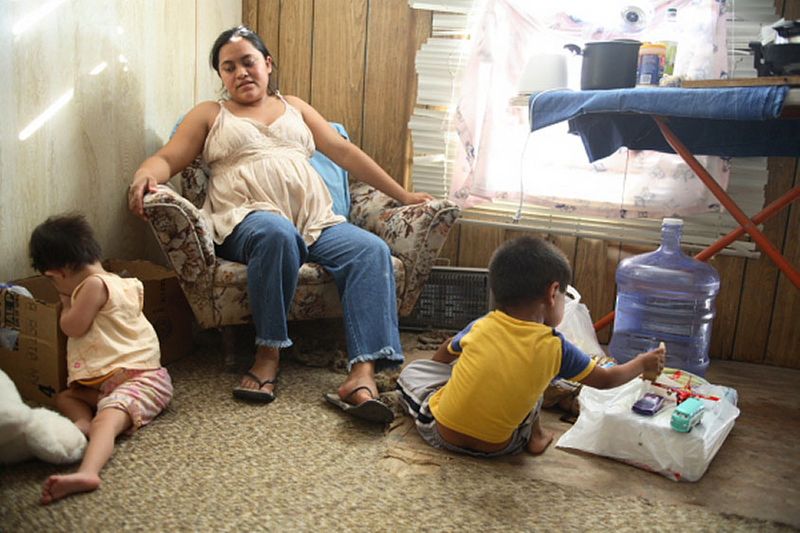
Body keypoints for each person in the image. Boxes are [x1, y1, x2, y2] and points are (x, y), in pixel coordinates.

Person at [128, 26, 431, 421]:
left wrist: (403, 195)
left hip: (315, 222)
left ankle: (361, 374)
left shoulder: (296, 107)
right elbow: (167, 158)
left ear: (267, 64)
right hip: (244, 220)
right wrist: (143, 175)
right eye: (229, 67)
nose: (241, 72)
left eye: (248, 61)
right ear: (221, 76)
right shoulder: (210, 114)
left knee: (370, 250)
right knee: (276, 233)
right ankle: (268, 352)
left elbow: (345, 152)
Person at [397, 236, 666, 457]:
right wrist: (642, 363)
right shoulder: (556, 348)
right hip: (501, 447)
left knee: (414, 372)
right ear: (553, 293)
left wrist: (441, 376)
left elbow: (445, 351)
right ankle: (535, 437)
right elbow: (606, 380)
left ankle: (428, 397)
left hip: (443, 435)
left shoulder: (482, 325)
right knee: (535, 382)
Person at [29, 214, 173, 504]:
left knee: (106, 420)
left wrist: (65, 300)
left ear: (57, 274)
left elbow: (72, 327)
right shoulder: (123, 282)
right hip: (114, 381)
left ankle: (89, 472)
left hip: (142, 381)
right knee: (66, 397)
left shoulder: (91, 288)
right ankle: (83, 424)